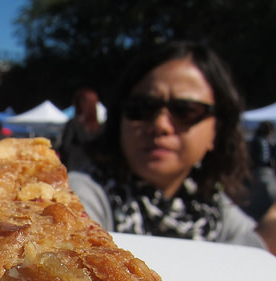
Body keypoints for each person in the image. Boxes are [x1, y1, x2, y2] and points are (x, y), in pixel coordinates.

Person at [67, 40, 275, 254]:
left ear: (217, 131)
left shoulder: (216, 208)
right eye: (141, 108)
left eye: (185, 111)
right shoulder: (77, 194)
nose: (160, 125)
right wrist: (263, 241)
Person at [58, 87, 102, 171]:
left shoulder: (73, 124)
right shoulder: (99, 127)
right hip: (94, 171)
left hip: (75, 169)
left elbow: (65, 147)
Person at [243, 121, 276, 221]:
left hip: (257, 172)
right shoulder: (265, 141)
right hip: (263, 172)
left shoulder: (255, 140)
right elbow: (265, 159)